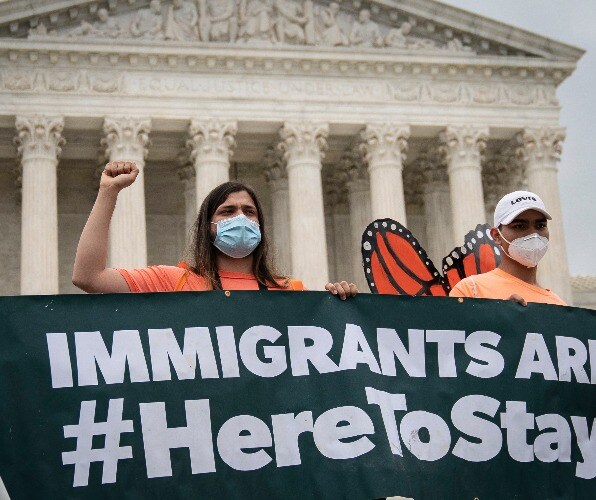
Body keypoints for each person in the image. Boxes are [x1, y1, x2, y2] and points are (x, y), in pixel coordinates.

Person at [73, 161, 358, 299]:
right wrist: (108, 192)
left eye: (249, 212)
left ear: (260, 225)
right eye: (227, 211)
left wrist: (343, 303)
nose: (240, 218)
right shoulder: (175, 282)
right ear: (208, 227)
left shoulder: (290, 292)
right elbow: (89, 278)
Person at [449, 190, 566, 306]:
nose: (533, 234)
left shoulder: (558, 305)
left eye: (540, 225)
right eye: (520, 226)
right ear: (496, 235)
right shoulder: (470, 290)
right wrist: (501, 314)